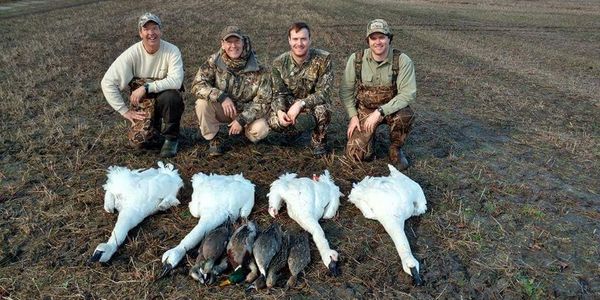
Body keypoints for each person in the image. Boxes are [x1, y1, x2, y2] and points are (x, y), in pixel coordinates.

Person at [101, 12, 184, 158]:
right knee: (138, 142)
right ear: (140, 33)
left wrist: (146, 87)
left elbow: (176, 81)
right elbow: (107, 82)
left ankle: (171, 138)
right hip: (143, 101)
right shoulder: (132, 54)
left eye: (154, 28)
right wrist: (124, 111)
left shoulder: (172, 51)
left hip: (164, 96)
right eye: (146, 29)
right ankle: (154, 128)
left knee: (172, 97)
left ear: (160, 31)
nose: (151, 33)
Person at [339, 19, 416, 170]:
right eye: (373, 38)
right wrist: (353, 116)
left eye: (382, 37)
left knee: (405, 115)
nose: (377, 42)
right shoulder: (357, 59)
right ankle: (370, 139)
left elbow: (407, 94)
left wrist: (380, 111)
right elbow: (345, 91)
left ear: (389, 38)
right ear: (368, 40)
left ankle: (396, 148)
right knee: (357, 156)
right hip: (365, 109)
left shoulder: (402, 60)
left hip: (392, 109)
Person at [192, 26, 271, 156]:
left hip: (247, 112)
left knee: (261, 129)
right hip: (223, 109)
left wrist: (242, 119)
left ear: (243, 42)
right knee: (202, 104)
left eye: (237, 41)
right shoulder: (213, 61)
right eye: (229, 42)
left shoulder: (259, 66)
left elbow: (264, 101)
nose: (233, 46)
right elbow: (197, 85)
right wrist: (221, 96)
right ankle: (213, 138)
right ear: (222, 44)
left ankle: (245, 132)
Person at [270, 22, 333, 156]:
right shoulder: (278, 63)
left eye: (303, 39)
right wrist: (281, 111)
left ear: (310, 40)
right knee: (274, 120)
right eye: (295, 39)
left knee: (324, 109)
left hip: (312, 103)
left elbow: (324, 92)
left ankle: (318, 141)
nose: (299, 43)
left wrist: (301, 104)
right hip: (289, 103)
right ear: (289, 40)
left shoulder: (323, 59)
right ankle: (291, 133)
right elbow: (278, 93)